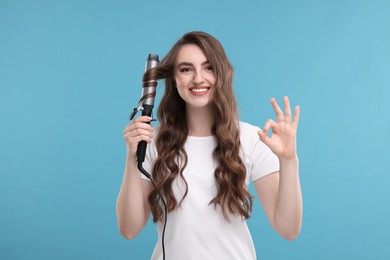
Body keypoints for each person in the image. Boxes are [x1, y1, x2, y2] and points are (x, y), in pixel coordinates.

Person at [116, 31, 302, 260]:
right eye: (186, 69)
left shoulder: (253, 138)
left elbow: (288, 229)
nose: (198, 79)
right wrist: (132, 155)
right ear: (174, 79)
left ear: (223, 73)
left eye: (208, 67)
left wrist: (289, 160)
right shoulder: (153, 142)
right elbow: (129, 229)